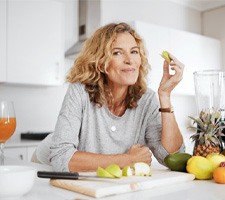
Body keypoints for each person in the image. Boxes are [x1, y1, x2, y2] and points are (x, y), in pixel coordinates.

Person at [35, 22, 185, 172]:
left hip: (96, 175)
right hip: (44, 165)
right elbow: (61, 158)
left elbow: (172, 158)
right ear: (101, 64)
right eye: (117, 53)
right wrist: (128, 159)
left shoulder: (147, 99)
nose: (129, 60)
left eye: (134, 51)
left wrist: (165, 96)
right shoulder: (79, 91)